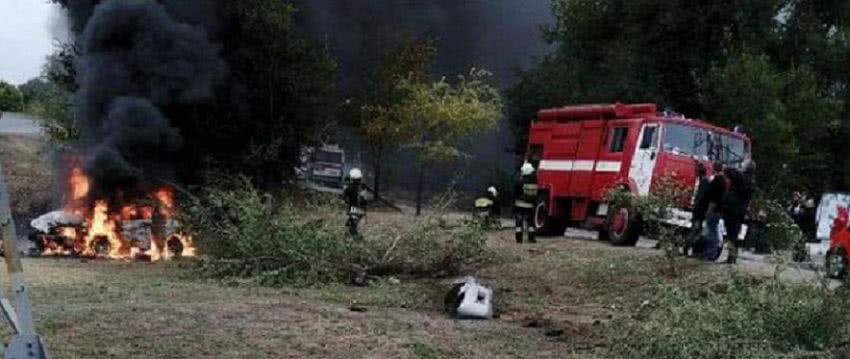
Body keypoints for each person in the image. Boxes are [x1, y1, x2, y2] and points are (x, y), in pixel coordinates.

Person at [722, 160, 757, 264]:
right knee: (735, 234)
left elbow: (727, 170)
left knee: (731, 233)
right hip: (741, 210)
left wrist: (738, 169)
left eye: (743, 164)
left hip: (732, 209)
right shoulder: (752, 180)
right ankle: (733, 256)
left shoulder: (741, 177)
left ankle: (731, 257)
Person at [698, 162, 728, 261]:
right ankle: (710, 252)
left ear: (714, 168)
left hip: (714, 209)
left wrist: (709, 210)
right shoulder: (724, 181)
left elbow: (713, 198)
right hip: (719, 210)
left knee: (712, 231)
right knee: (713, 230)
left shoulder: (717, 180)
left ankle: (711, 253)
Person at [513, 162, 538, 244]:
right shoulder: (535, 182)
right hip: (530, 205)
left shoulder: (519, 181)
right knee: (530, 222)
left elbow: (515, 193)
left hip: (519, 205)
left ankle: (519, 239)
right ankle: (531, 238)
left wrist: (513, 203)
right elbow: (536, 194)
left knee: (519, 222)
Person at [343, 168, 367, 236]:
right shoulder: (362, 187)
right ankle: (352, 237)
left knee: (352, 227)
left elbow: (344, 196)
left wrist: (345, 184)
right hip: (361, 210)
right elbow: (365, 199)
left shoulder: (350, 188)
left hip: (353, 209)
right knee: (350, 225)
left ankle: (354, 239)